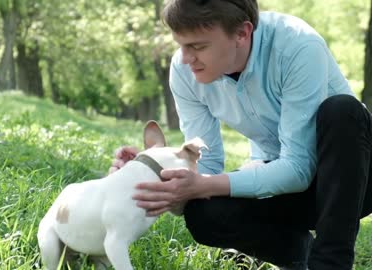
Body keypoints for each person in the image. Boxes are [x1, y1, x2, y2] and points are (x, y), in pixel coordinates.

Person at [109, 0, 372, 269]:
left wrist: (205, 184)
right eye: (181, 45)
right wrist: (148, 172)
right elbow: (205, 170)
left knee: (342, 110)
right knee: (203, 212)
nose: (186, 58)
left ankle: (329, 264)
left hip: (354, 180)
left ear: (242, 33)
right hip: (287, 185)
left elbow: (298, 168)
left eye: (198, 46)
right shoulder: (184, 70)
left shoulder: (297, 45)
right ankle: (295, 253)